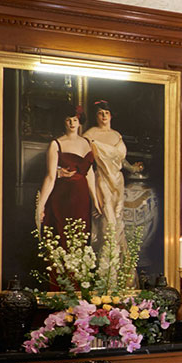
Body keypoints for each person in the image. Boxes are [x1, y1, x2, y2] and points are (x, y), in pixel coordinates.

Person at [33, 108, 98, 238]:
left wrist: (95, 199)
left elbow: (89, 173)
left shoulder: (87, 142)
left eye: (75, 120)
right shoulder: (56, 144)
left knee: (80, 236)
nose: (72, 123)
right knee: (61, 235)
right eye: (68, 120)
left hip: (82, 198)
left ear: (80, 122)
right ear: (63, 122)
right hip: (63, 196)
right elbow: (51, 177)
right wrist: (41, 205)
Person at [84, 99, 134, 250]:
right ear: (96, 116)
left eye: (106, 113)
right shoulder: (90, 134)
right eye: (100, 113)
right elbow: (82, 157)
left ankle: (117, 266)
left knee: (118, 220)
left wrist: (132, 169)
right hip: (102, 180)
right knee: (107, 219)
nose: (104, 116)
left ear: (111, 116)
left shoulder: (117, 135)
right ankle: (106, 265)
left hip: (118, 181)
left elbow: (120, 159)